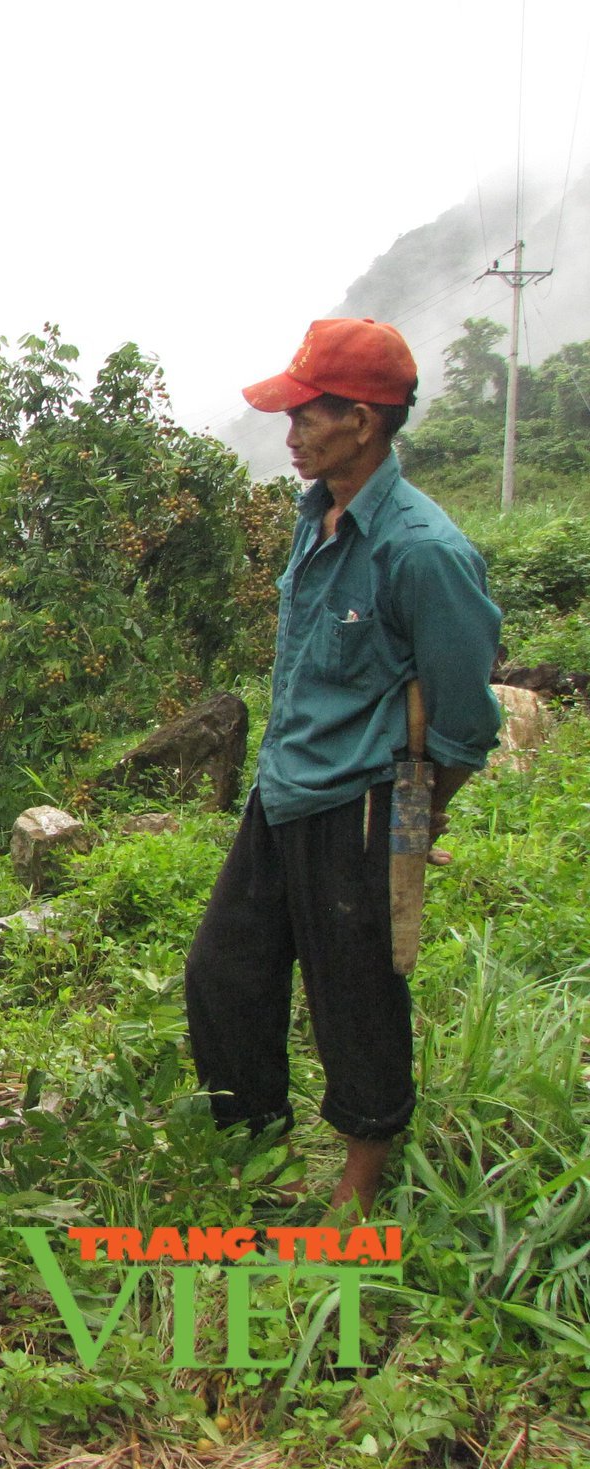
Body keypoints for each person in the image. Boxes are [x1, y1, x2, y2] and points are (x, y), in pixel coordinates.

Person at [185, 318, 502, 1219]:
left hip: (365, 799)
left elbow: (466, 718)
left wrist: (420, 816)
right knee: (223, 973)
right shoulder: (315, 514)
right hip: (282, 789)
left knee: (357, 989)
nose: (290, 435)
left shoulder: (421, 550)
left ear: (363, 421)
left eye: (307, 417)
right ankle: (257, 1151)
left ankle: (360, 1182)